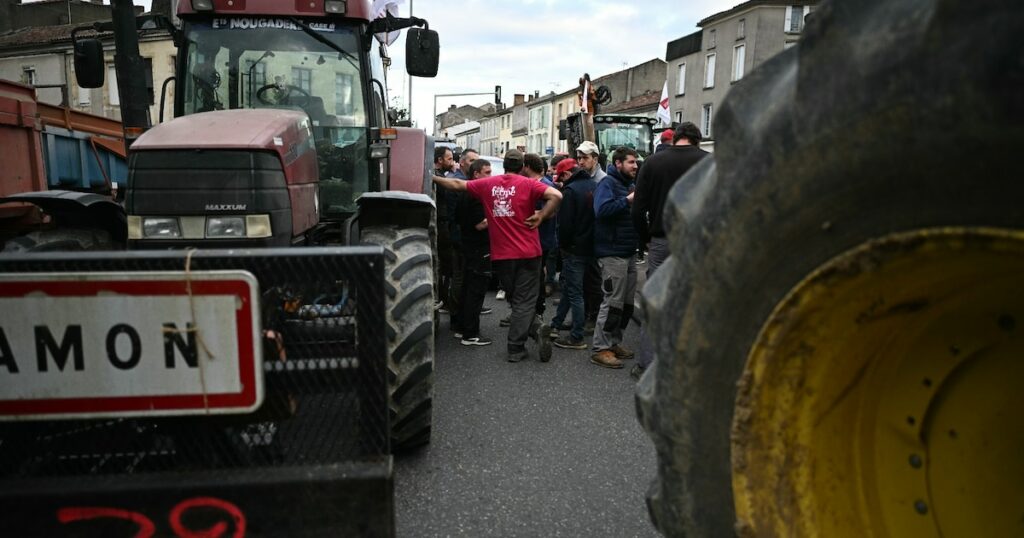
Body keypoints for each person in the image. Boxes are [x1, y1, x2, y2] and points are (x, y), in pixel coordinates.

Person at [432, 149, 563, 363]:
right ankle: (517, 345)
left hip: (502, 255)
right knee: (524, 300)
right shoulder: (528, 184)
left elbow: (456, 185)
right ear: (522, 167)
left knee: (515, 298)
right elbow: (556, 195)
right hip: (529, 253)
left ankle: (533, 330)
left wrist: (431, 177)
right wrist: (542, 214)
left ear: (504, 166)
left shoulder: (488, 185)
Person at [630, 121, 709, 378]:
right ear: (697, 140)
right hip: (696, 241)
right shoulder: (710, 163)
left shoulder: (652, 163)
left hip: (661, 239)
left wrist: (645, 240)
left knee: (655, 302)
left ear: (675, 139)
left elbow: (637, 208)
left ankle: (648, 364)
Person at [590, 147, 640, 369]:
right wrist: (627, 201)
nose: (635, 166)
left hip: (628, 252)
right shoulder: (607, 183)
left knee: (626, 304)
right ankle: (601, 348)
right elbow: (602, 210)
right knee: (612, 303)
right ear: (618, 163)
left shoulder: (628, 184)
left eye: (636, 162)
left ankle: (614, 341)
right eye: (631, 162)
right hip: (612, 253)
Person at [547, 158, 596, 350]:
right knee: (570, 288)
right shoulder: (594, 185)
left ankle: (576, 336)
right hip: (590, 247)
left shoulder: (570, 191)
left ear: (567, 174)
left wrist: (563, 246)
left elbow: (565, 225)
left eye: (562, 177)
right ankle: (556, 324)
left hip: (574, 248)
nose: (561, 181)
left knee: (575, 293)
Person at [456, 158, 495, 346]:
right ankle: (471, 333)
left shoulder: (465, 191)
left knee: (467, 286)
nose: (490, 176)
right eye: (487, 172)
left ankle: (461, 326)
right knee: (476, 290)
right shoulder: (476, 194)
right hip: (479, 246)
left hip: (468, 244)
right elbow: (480, 224)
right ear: (476, 174)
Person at [522, 153, 558, 315]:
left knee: (535, 276)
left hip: (541, 238)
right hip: (537, 239)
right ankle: (531, 310)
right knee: (533, 276)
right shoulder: (536, 183)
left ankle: (537, 310)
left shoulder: (545, 186)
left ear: (527, 167)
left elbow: (550, 212)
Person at [575, 140, 605, 332]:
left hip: (595, 237)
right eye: (579, 158)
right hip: (584, 235)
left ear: (595, 159)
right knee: (583, 279)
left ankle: (592, 317)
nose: (580, 162)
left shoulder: (601, 180)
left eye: (585, 158)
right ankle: (583, 315)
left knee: (593, 279)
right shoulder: (583, 177)